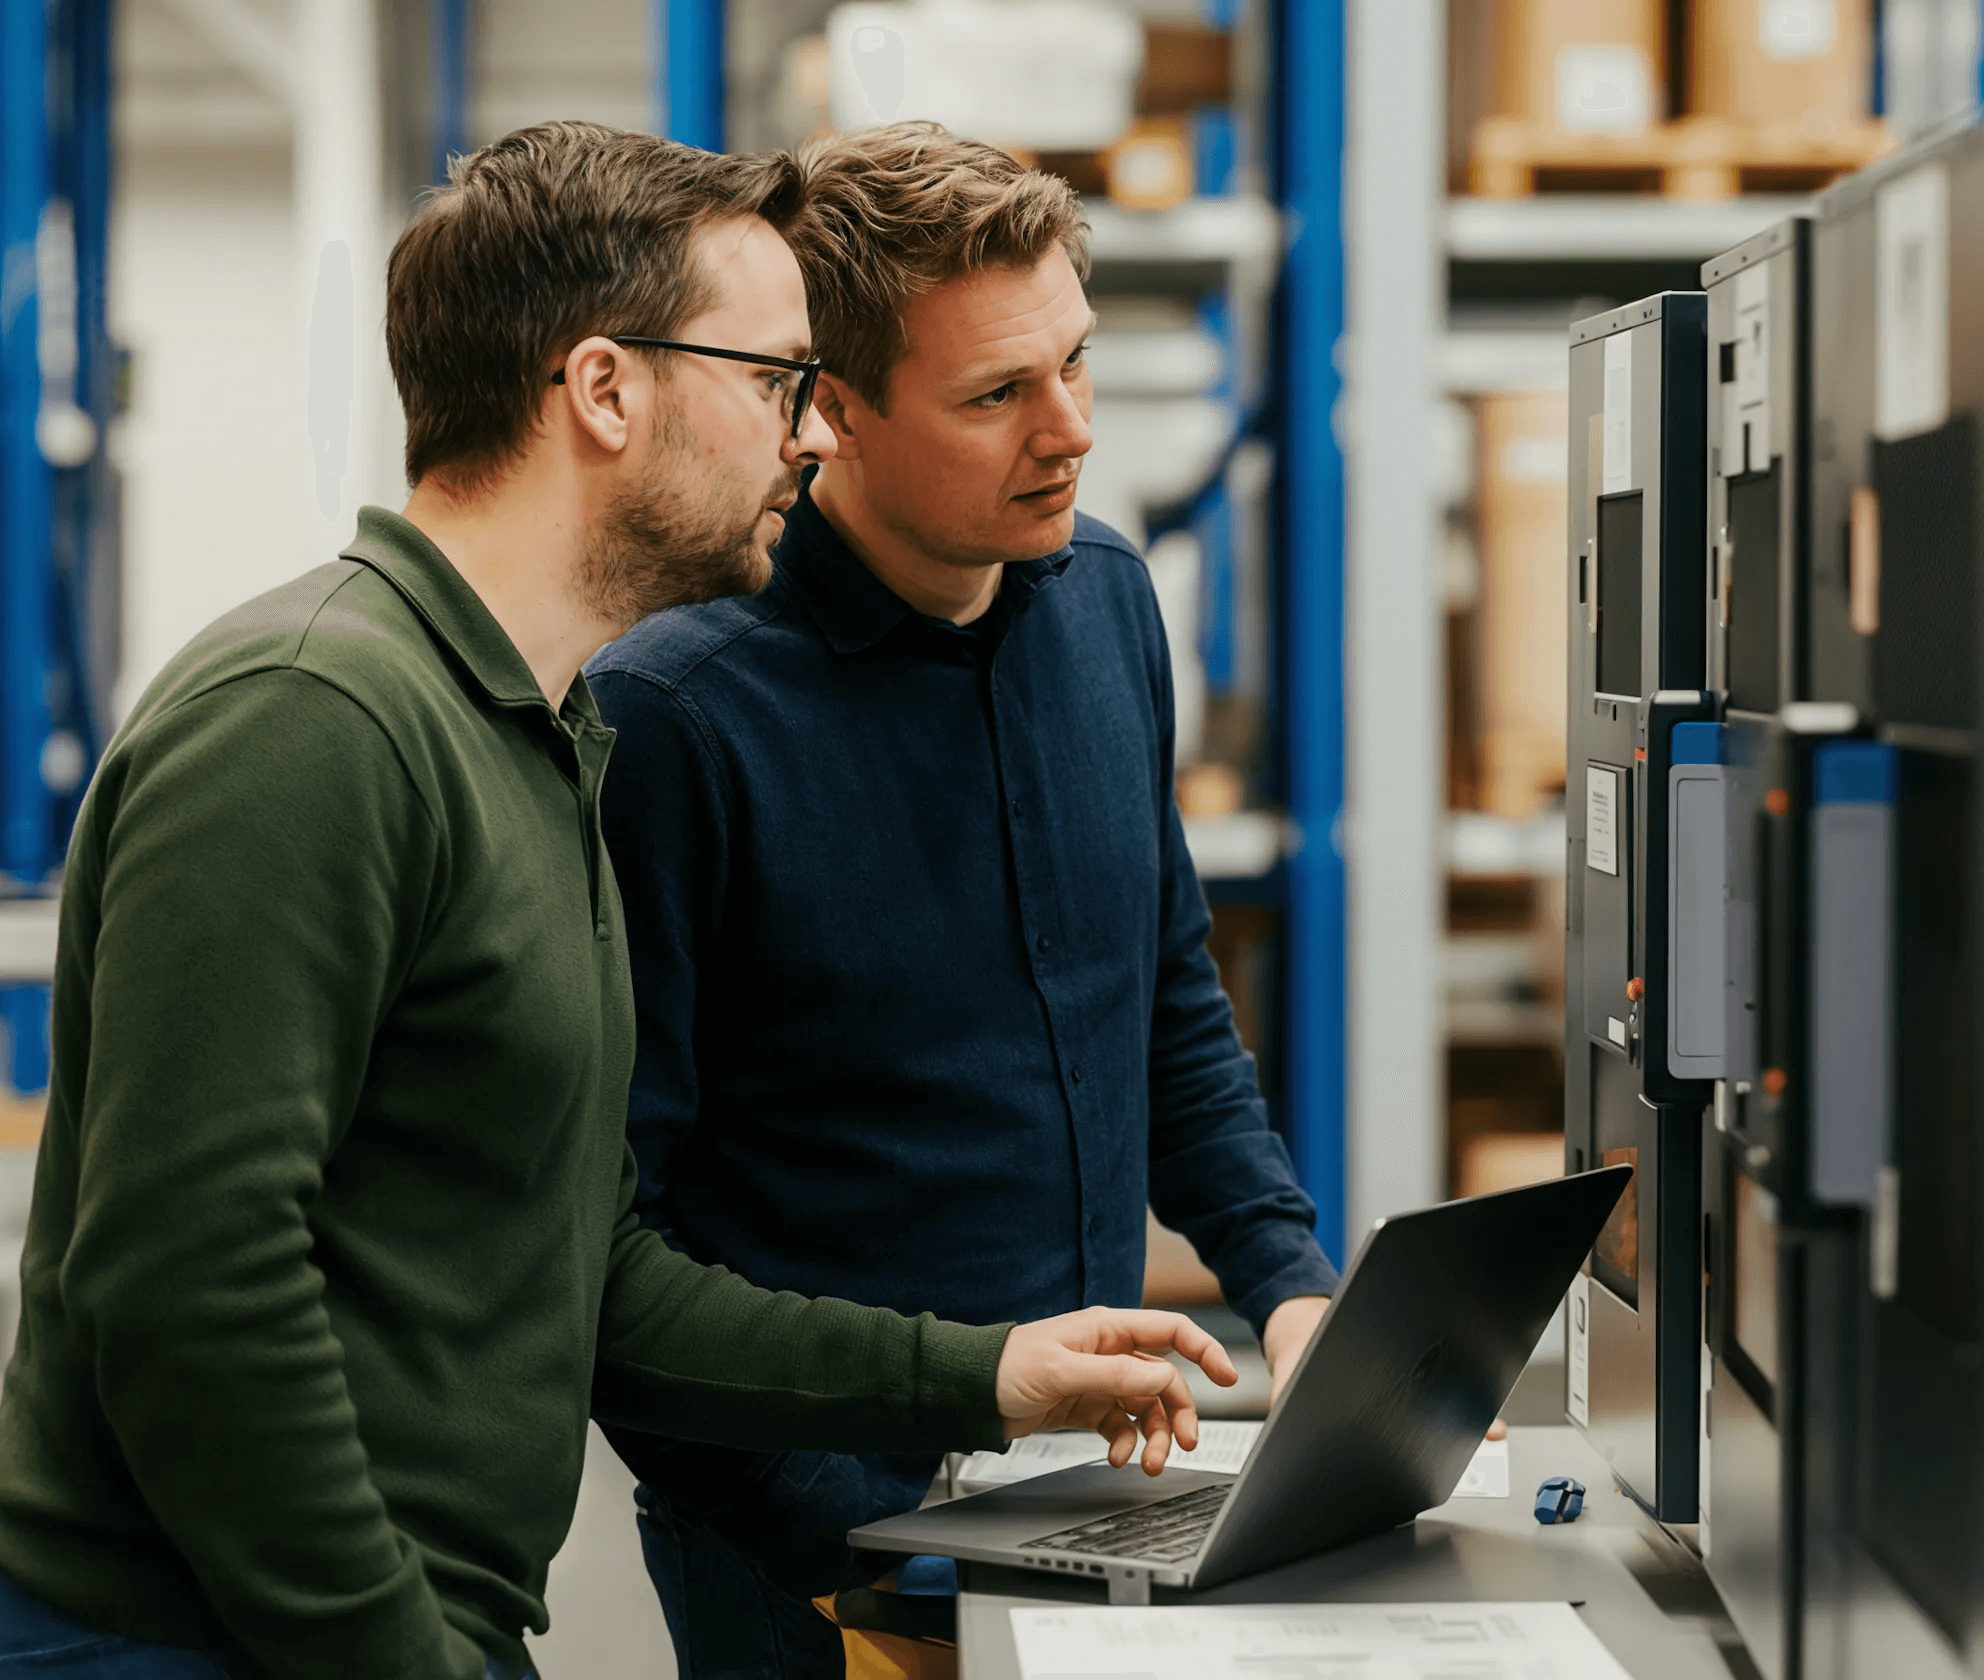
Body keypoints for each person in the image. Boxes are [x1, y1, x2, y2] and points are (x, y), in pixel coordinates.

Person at [0, 122, 1232, 1680]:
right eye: (778, 380)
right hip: (193, 1643)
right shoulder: (313, 716)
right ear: (605, 389)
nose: (808, 438)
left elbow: (598, 1280)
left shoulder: (537, 738)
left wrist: (987, 1376)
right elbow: (187, 1293)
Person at [585, 122, 1341, 1675]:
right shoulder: (672, 717)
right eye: (997, 394)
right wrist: (837, 1563)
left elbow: (1167, 1001)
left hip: (1083, 1496)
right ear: (833, 412)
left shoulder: (1110, 601)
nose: (1067, 429)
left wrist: (1290, 1289)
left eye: (1074, 361)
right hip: (810, 1564)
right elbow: (608, 1244)